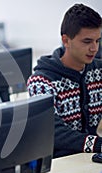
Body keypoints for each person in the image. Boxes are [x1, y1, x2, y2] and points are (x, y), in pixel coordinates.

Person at [27, 3, 102, 158]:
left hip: (88, 159)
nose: (94, 48)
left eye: (97, 41)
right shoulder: (41, 82)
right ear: (66, 40)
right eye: (87, 42)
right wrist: (97, 144)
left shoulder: (98, 71)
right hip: (59, 165)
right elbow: (53, 131)